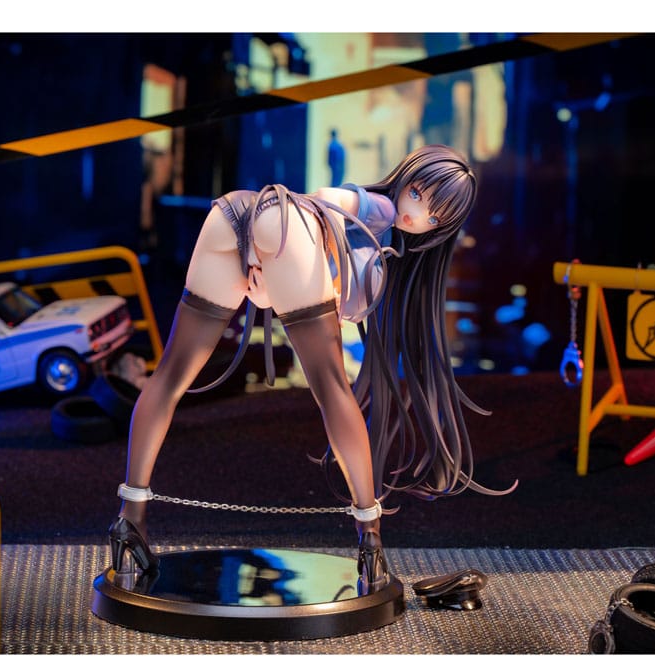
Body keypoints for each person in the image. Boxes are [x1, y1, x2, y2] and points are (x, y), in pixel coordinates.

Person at [109, 144, 517, 593]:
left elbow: (288, 269)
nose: (415, 214)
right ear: (406, 178)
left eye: (433, 217)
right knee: (333, 390)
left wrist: (268, 276)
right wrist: (296, 267)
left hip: (234, 214)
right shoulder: (379, 208)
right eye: (417, 194)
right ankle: (371, 538)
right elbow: (325, 200)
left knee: (170, 376)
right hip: (286, 222)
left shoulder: (385, 242)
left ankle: (130, 521)